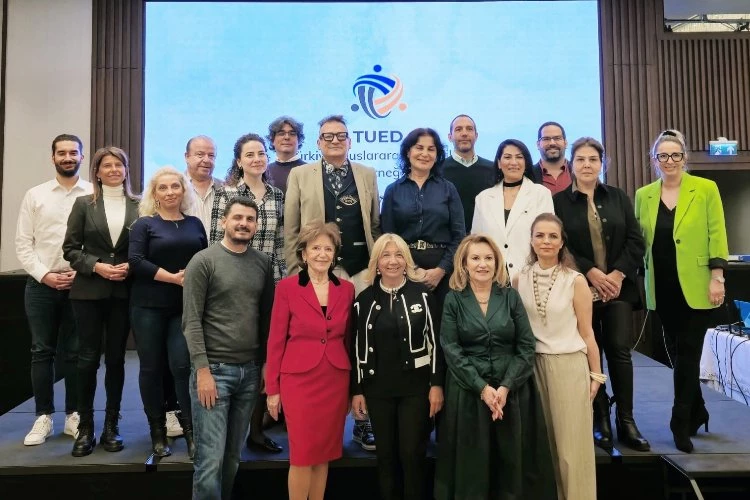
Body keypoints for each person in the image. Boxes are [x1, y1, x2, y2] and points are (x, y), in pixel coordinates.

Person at [435, 234, 556, 500]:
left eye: (488, 258)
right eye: (475, 258)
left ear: (497, 262)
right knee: (472, 471)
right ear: (464, 264)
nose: (483, 264)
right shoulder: (453, 300)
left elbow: (526, 345)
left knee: (511, 468)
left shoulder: (511, 297)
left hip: (511, 393)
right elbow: (451, 349)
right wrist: (482, 389)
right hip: (468, 393)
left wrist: (505, 387)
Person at [284, 114, 380, 450]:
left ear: (350, 141)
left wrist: (375, 268)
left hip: (361, 271)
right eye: (328, 136)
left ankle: (363, 421)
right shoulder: (300, 175)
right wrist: (296, 272)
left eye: (341, 135)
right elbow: (291, 230)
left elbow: (374, 225)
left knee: (364, 341)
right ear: (318, 142)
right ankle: (326, 419)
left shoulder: (367, 174)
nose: (335, 141)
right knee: (329, 343)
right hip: (322, 272)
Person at [553, 137, 649, 452]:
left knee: (619, 351)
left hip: (618, 289)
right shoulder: (559, 202)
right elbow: (561, 245)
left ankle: (626, 420)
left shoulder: (618, 197)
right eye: (581, 159)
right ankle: (599, 419)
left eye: (593, 159)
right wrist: (591, 272)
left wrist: (617, 275)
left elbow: (636, 240)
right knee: (588, 353)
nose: (587, 165)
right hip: (581, 289)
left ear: (602, 163)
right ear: (571, 164)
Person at [635, 129, 728, 453]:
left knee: (688, 353)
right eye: (663, 155)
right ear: (654, 160)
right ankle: (699, 410)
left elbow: (717, 233)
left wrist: (717, 276)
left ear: (684, 157)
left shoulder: (705, 189)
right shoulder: (644, 195)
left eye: (675, 155)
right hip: (662, 288)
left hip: (697, 285)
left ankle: (680, 421)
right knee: (677, 353)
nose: (670, 160)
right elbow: (640, 241)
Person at [183, 197, 275, 500]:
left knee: (233, 457)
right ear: (224, 221)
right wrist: (202, 372)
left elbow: (266, 318)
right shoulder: (203, 261)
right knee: (210, 461)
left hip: (250, 373)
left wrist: (264, 365)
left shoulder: (262, 263)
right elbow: (191, 321)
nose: (243, 224)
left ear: (256, 226)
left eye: (250, 219)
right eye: (237, 218)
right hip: (214, 372)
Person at [515, 213, 603, 499]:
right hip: (531, 368)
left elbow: (587, 333)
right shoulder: (519, 279)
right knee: (542, 447)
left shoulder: (575, 281)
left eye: (553, 236)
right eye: (540, 235)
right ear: (531, 240)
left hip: (568, 365)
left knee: (571, 449)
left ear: (562, 242)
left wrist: (596, 374)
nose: (546, 241)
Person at [351, 234, 445, 500]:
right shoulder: (363, 300)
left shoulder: (424, 295)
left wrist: (436, 384)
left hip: (416, 390)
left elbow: (436, 344)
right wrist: (357, 390)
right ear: (376, 262)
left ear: (407, 260)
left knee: (412, 455)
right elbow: (355, 347)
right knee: (386, 457)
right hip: (377, 390)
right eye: (386, 255)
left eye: (399, 255)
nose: (392, 261)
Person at [266, 221, 355, 500]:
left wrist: (353, 389)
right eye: (315, 248)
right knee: (302, 455)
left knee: (323, 453)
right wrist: (272, 389)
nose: (321, 254)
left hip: (334, 379)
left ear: (335, 254)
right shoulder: (287, 288)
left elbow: (349, 341)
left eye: (328, 249)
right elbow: (275, 341)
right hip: (299, 381)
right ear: (304, 254)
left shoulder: (347, 289)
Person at [209, 133, 285, 454]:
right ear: (239, 161)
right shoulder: (225, 194)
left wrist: (282, 286)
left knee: (264, 355)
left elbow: (280, 245)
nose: (257, 159)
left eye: (261, 153)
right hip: (234, 283)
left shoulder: (277, 195)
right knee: (238, 355)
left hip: (269, 283)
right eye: (249, 154)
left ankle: (255, 430)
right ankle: (226, 431)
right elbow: (215, 241)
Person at [16, 134, 92, 446]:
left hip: (80, 284)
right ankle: (43, 416)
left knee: (75, 352)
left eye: (73, 152)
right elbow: (23, 244)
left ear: (82, 156)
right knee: (41, 351)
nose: (68, 157)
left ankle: (73, 415)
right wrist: (45, 275)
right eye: (62, 153)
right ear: (53, 158)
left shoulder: (93, 193)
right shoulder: (35, 195)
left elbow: (100, 241)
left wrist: (82, 270)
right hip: (41, 285)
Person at [63, 146, 140, 457]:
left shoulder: (139, 205)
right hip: (88, 292)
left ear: (126, 170)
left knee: (117, 360)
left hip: (123, 292)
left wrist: (131, 266)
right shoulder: (84, 204)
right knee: (87, 359)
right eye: (106, 165)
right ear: (96, 172)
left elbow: (144, 248)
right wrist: (96, 266)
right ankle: (85, 427)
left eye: (119, 165)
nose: (113, 170)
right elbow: (71, 249)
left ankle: (111, 425)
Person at [129, 166, 207, 458]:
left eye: (175, 186)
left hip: (183, 308)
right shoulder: (144, 224)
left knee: (182, 367)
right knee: (151, 368)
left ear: (184, 190)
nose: (170, 192)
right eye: (163, 188)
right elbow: (136, 261)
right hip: (148, 307)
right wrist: (173, 278)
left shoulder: (195, 224)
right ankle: (157, 432)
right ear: (154, 193)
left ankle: (190, 432)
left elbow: (203, 259)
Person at [381, 127, 466, 311]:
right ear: (408, 152)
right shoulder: (393, 190)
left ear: (437, 155)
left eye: (431, 149)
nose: (425, 154)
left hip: (444, 270)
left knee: (443, 322)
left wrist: (441, 270)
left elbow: (459, 235)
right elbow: (387, 237)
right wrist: (411, 269)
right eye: (419, 148)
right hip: (404, 268)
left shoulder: (448, 189)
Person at [472, 138, 554, 281]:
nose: (514, 162)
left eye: (519, 157)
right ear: (499, 163)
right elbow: (476, 242)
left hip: (532, 276)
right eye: (508, 157)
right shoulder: (483, 198)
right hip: (492, 278)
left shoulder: (541, 194)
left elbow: (548, 239)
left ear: (526, 162)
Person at [440, 115, 495, 232]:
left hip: (485, 237)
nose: (464, 133)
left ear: (476, 135)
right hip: (448, 239)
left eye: (469, 129)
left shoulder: (493, 169)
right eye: (458, 129)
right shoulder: (438, 170)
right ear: (450, 137)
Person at [184, 135, 223, 234]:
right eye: (200, 155)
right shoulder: (174, 189)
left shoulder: (226, 189)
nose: (206, 160)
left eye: (211, 155)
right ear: (187, 157)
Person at [528, 122, 572, 194]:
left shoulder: (578, 172)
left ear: (565, 143)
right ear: (538, 144)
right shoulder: (528, 175)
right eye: (546, 139)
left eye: (557, 138)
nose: (552, 143)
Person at [266, 116, 306, 194]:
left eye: (292, 134)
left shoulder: (309, 172)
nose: (287, 137)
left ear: (299, 140)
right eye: (281, 133)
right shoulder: (263, 172)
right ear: (272, 140)